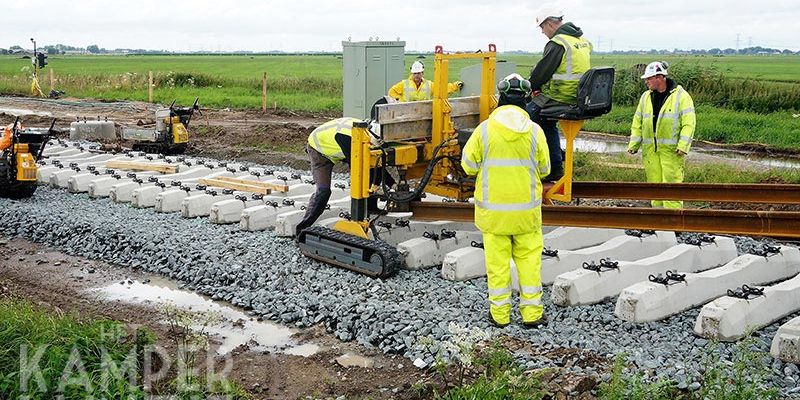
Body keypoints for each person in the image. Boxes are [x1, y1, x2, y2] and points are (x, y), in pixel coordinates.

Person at [461, 73, 550, 328]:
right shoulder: (534, 131)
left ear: (500, 99)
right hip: (526, 215)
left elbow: (468, 166)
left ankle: (500, 316)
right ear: (525, 100)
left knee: (497, 266)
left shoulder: (485, 130)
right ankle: (532, 315)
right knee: (530, 264)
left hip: (494, 215)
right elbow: (545, 169)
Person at [526, 4, 591, 182]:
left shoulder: (558, 43)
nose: (542, 32)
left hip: (562, 97)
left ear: (549, 24)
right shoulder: (581, 40)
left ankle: (543, 166)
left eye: (541, 27)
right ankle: (555, 163)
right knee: (546, 122)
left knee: (526, 116)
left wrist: (529, 87)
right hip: (578, 96)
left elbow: (541, 73)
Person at [294, 117, 390, 236]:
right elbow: (357, 167)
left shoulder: (363, 131)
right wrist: (380, 185)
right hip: (319, 151)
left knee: (371, 170)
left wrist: (393, 184)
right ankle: (302, 229)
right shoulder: (347, 137)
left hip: (335, 147)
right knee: (323, 191)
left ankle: (371, 207)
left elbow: (377, 163)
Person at [627, 61, 696, 209]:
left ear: (659, 77)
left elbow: (689, 123)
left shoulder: (681, 97)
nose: (646, 81)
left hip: (671, 152)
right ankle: (657, 218)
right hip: (650, 151)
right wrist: (634, 144)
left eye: (649, 78)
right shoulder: (646, 97)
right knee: (654, 184)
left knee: (671, 186)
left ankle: (673, 221)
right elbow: (637, 122)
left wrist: (683, 146)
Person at [388, 60, 463, 102]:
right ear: (412, 73)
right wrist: (400, 101)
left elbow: (442, 88)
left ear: (422, 73)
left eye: (418, 73)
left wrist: (455, 86)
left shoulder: (429, 84)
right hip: (406, 112)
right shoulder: (404, 83)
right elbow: (391, 91)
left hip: (424, 113)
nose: (416, 75)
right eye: (415, 73)